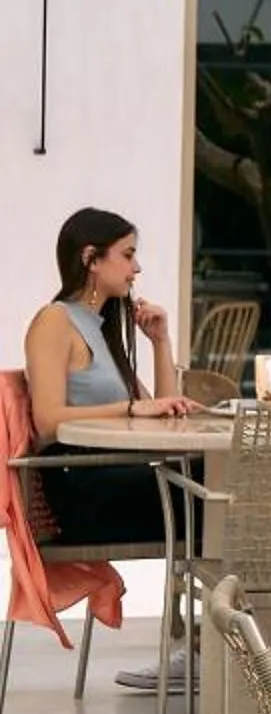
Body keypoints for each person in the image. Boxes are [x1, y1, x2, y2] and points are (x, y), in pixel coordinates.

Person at [23, 207, 189, 594]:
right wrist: (129, 408)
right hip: (83, 489)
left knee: (241, 494)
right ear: (91, 259)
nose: (137, 268)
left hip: (113, 479)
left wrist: (160, 342)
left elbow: (166, 418)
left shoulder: (104, 330)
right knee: (230, 498)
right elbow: (48, 420)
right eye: (128, 255)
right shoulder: (55, 320)